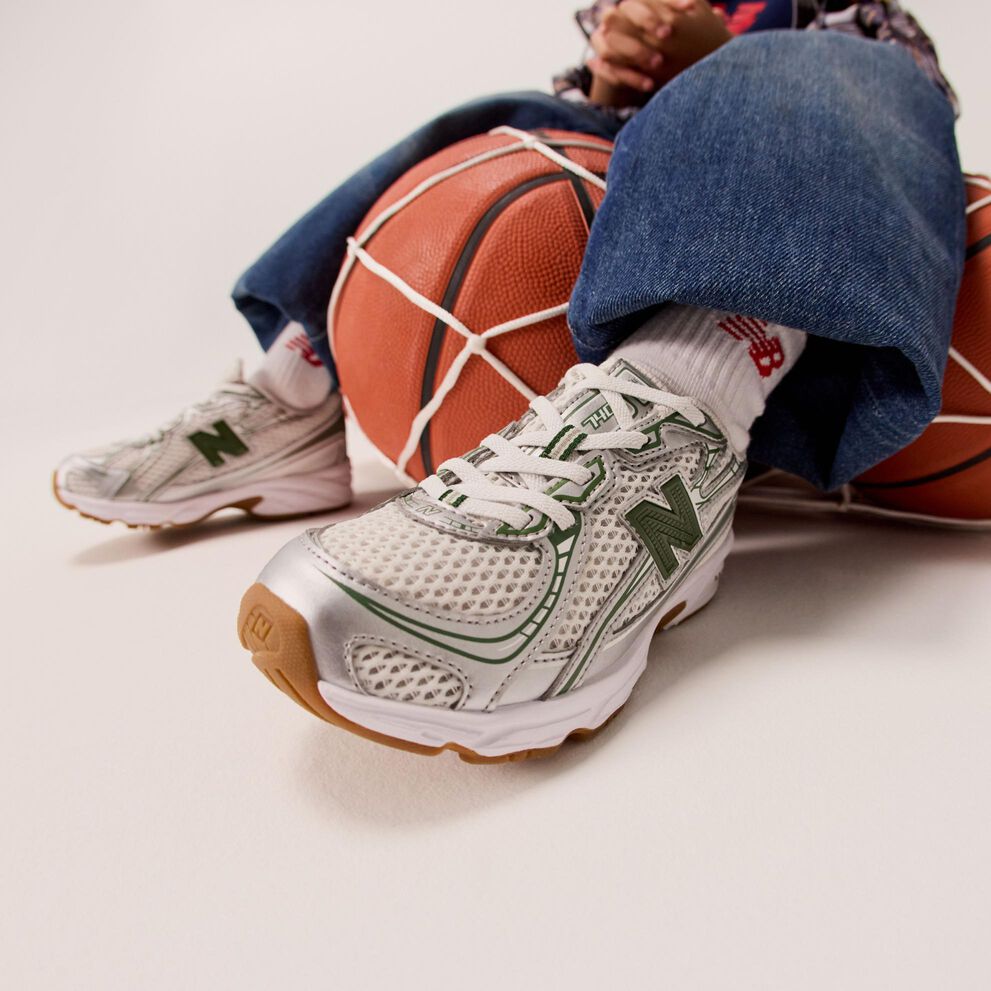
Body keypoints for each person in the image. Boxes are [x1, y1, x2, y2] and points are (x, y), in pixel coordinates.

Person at [57, 2, 964, 759]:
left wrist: (725, 58)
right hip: (644, 154)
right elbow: (581, 102)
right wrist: (614, 74)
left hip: (796, 143)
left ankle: (677, 425)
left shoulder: (848, 16)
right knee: (499, 117)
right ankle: (289, 390)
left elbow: (910, 96)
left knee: (812, 72)